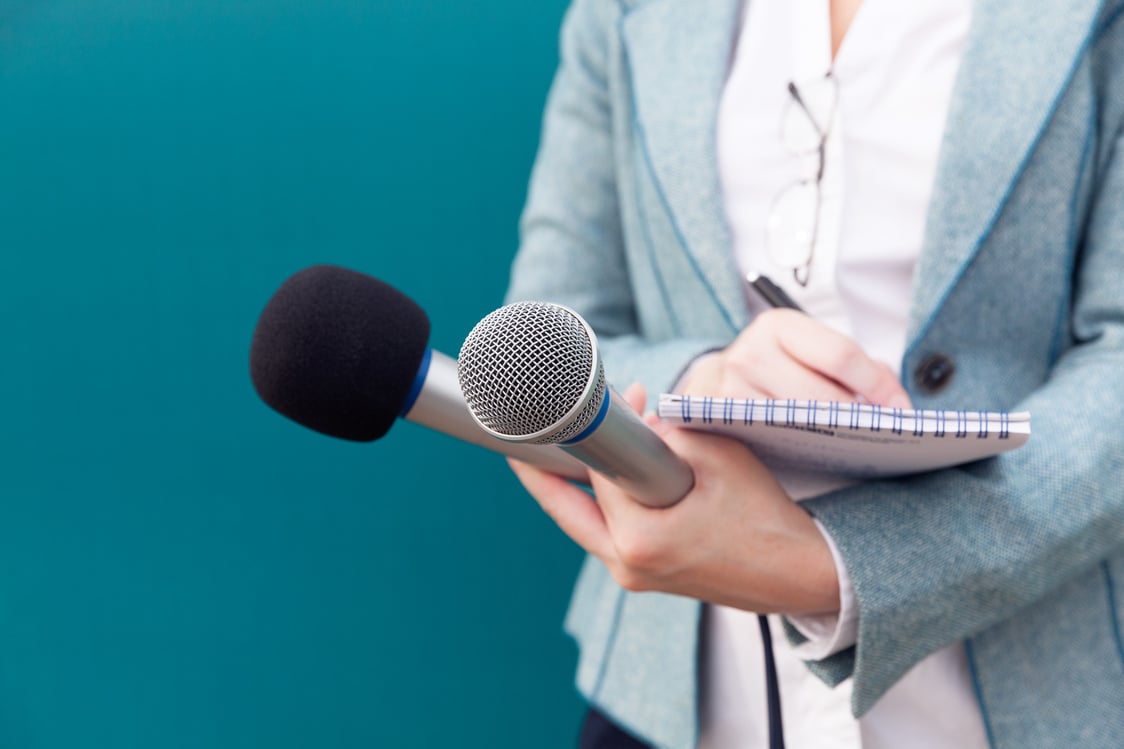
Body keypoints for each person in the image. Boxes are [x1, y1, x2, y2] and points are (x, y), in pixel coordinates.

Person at [502, 0, 1124, 747]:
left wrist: (841, 568)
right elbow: (554, 322)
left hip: (1029, 698)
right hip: (669, 708)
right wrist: (703, 382)